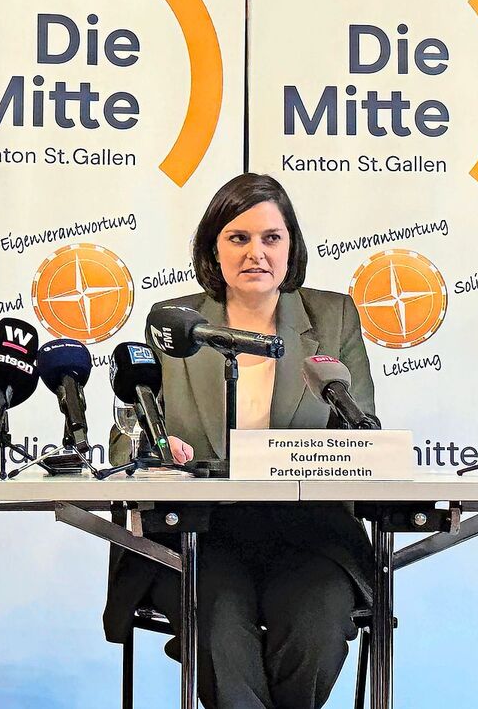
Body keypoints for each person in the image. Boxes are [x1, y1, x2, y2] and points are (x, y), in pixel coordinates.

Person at [103, 173, 376, 709]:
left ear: (291, 246)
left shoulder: (334, 317)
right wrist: (155, 450)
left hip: (310, 533)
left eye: (271, 237)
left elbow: (362, 430)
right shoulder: (173, 323)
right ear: (214, 249)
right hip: (197, 535)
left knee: (316, 626)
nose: (256, 253)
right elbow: (124, 439)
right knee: (218, 630)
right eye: (238, 238)